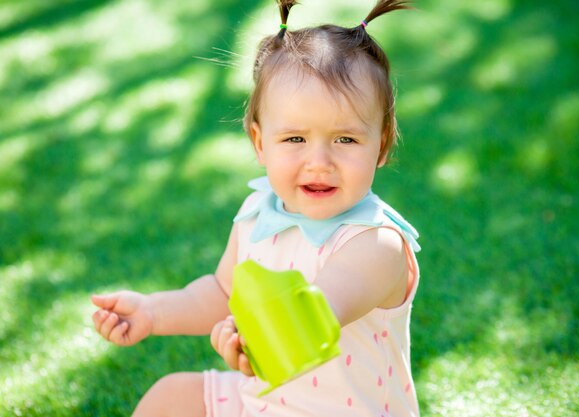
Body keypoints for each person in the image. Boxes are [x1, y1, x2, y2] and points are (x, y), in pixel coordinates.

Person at [91, 1, 421, 415]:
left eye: (346, 140)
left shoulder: (376, 244)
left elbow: (314, 316)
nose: (318, 161)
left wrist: (254, 343)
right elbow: (222, 292)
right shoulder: (257, 213)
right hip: (263, 401)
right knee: (171, 396)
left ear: (382, 144)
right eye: (295, 140)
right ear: (259, 142)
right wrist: (152, 311)